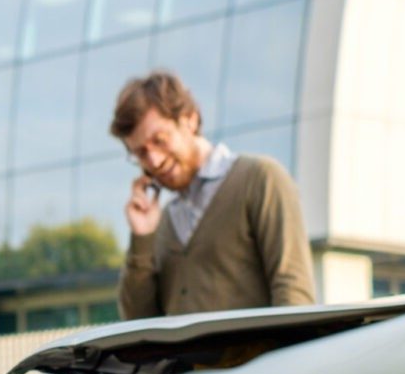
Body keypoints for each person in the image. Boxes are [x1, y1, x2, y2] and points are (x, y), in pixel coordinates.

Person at [110, 69, 316, 319]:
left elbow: (294, 295)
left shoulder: (260, 179)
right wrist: (142, 238)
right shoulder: (162, 222)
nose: (153, 160)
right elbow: (138, 322)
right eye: (141, 153)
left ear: (190, 119)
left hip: (260, 359)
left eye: (160, 140)